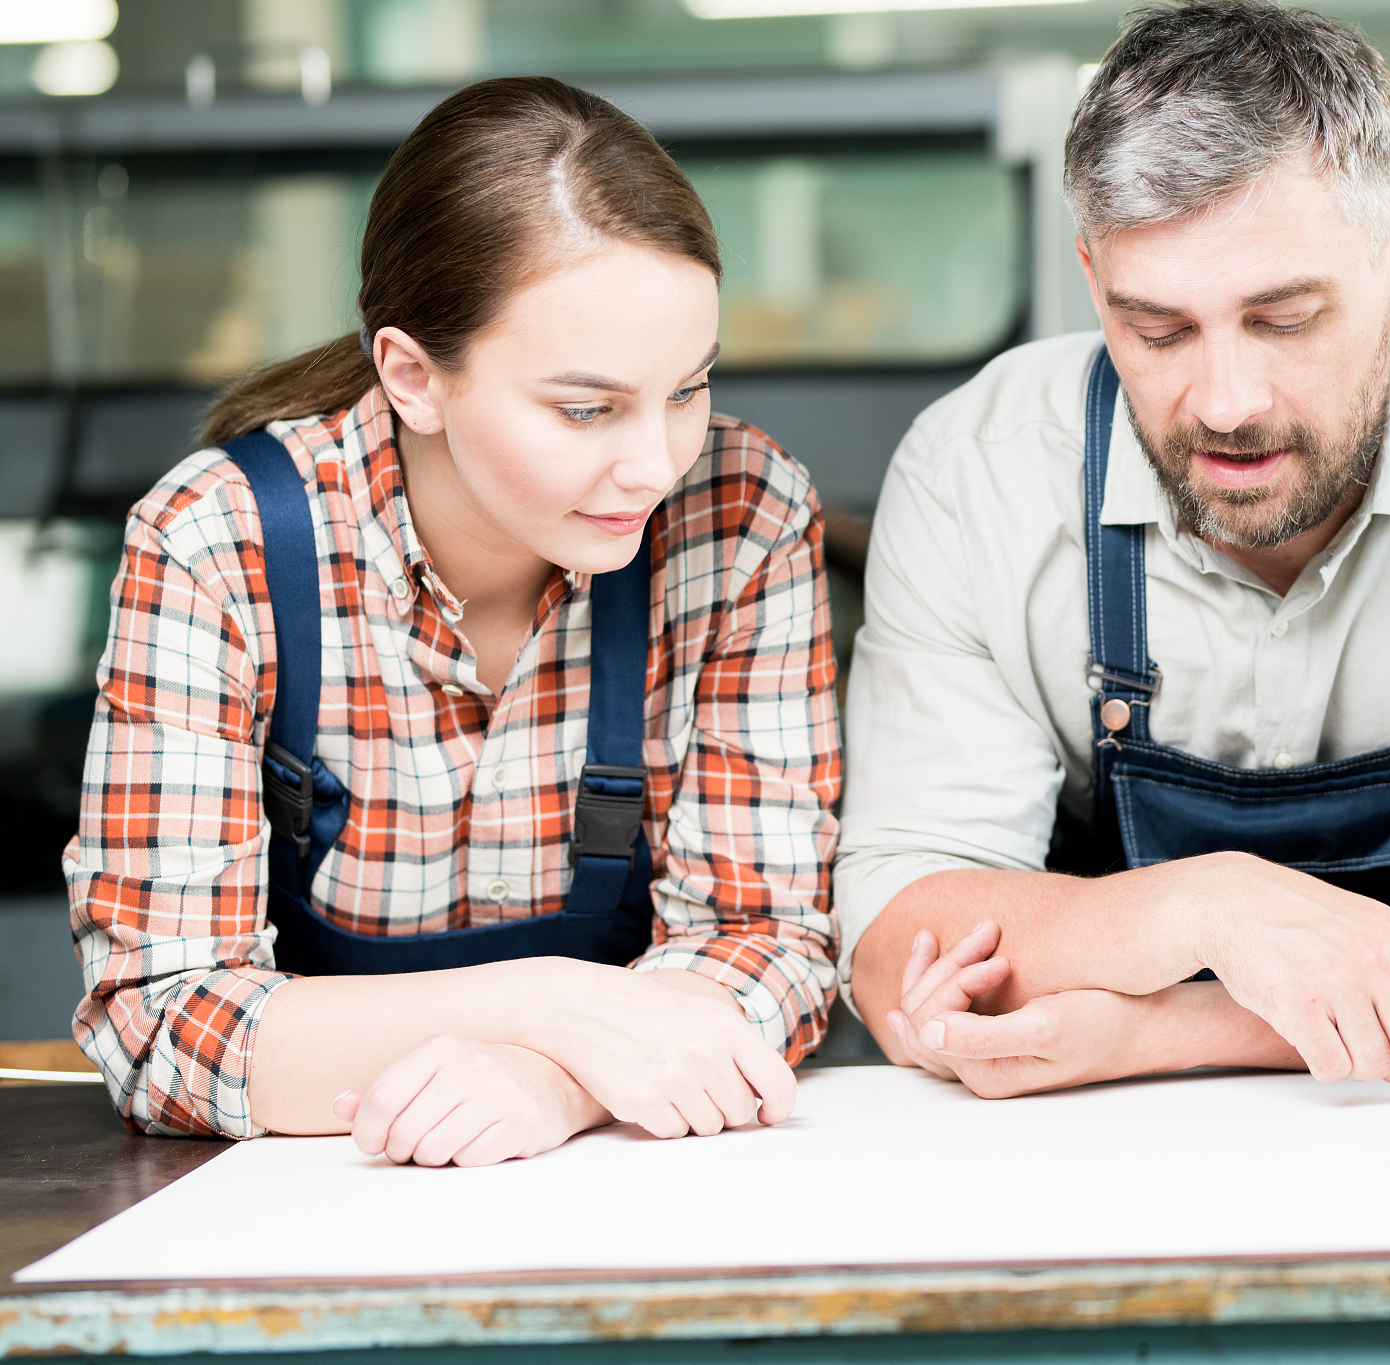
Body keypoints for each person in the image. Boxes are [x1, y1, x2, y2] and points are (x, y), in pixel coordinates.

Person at [836, 0, 1390, 1097]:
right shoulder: (976, 474)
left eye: (1282, 319)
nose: (1221, 403)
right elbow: (898, 949)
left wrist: (1171, 1026)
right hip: (1105, 1162)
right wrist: (1203, 904)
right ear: (1093, 286)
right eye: (1156, 330)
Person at [63, 78, 840, 1165]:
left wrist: (549, 1080)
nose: (656, 464)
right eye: (585, 408)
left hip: (619, 1178)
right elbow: (159, 1018)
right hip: (314, 1196)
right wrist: (552, 1008)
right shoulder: (218, 542)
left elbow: (772, 943)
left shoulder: (741, 517)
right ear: (413, 378)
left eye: (687, 389)